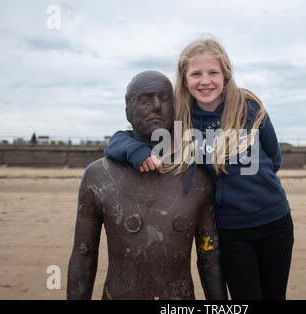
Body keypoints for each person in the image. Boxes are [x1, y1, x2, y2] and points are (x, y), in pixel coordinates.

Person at [105, 37, 294, 300]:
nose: (205, 81)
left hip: (275, 221)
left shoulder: (249, 107)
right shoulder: (181, 119)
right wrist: (137, 152)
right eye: (196, 74)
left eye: (213, 72)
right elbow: (119, 139)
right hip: (230, 231)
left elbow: (274, 158)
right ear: (184, 79)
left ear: (225, 75)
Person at [67, 70, 227, 300]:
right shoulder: (98, 177)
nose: (156, 106)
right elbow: (84, 253)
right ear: (127, 109)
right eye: (145, 99)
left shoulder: (197, 177)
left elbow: (210, 258)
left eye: (164, 99)